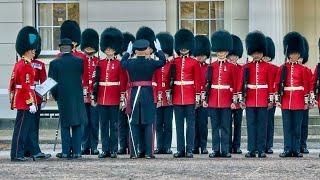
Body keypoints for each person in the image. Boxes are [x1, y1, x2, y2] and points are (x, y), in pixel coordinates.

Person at [121, 37, 165, 159]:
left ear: (135, 51)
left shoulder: (129, 63)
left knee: (134, 123)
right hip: (147, 94)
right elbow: (163, 61)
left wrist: (127, 53)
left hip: (134, 93)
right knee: (148, 124)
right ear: (146, 50)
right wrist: (158, 50)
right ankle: (148, 153)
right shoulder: (151, 62)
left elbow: (122, 63)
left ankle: (134, 152)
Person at [49, 38, 87, 159]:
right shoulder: (79, 61)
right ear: (72, 48)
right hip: (76, 97)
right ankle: (77, 152)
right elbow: (82, 77)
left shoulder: (54, 63)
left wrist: (56, 96)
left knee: (65, 125)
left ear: (60, 48)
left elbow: (52, 83)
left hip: (63, 97)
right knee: (76, 124)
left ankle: (66, 152)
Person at [239, 31, 273, 158]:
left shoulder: (268, 67)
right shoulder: (246, 67)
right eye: (255, 52)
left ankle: (261, 149)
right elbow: (242, 84)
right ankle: (251, 149)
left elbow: (270, 84)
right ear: (251, 52)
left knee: (262, 125)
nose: (257, 54)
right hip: (250, 99)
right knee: (251, 125)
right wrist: (242, 99)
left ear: (262, 52)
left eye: (259, 52)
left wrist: (270, 100)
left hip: (263, 99)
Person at [92, 27, 125, 158]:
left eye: (111, 48)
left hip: (114, 97)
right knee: (103, 125)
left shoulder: (119, 64)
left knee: (114, 125)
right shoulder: (100, 63)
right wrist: (94, 96)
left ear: (115, 49)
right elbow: (96, 82)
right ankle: (105, 149)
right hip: (102, 98)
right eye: (107, 48)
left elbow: (122, 82)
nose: (108, 50)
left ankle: (113, 149)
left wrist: (122, 97)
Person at [9, 26, 41, 161]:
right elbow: (26, 87)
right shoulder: (26, 66)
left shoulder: (19, 64)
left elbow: (13, 84)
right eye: (33, 50)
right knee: (21, 130)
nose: (34, 52)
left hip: (21, 100)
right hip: (25, 102)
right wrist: (31, 103)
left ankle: (17, 153)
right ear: (27, 50)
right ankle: (17, 154)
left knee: (20, 129)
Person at [275, 32, 308, 158]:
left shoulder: (303, 69)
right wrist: (278, 99)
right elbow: (277, 84)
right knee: (287, 126)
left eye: (296, 53)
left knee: (297, 127)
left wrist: (306, 102)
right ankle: (287, 148)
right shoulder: (282, 68)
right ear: (288, 54)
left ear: (299, 54)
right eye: (292, 53)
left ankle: (296, 149)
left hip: (299, 100)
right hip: (286, 100)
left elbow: (306, 86)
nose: (294, 55)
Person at [206, 30, 236, 158]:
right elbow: (207, 83)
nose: (220, 53)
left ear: (227, 52)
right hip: (213, 99)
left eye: (223, 51)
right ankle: (215, 149)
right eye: (219, 51)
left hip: (226, 100)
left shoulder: (231, 67)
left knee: (225, 126)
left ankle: (225, 149)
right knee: (215, 126)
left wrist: (234, 101)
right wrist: (205, 99)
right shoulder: (211, 66)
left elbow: (234, 84)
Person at [172, 29, 201, 158]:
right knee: (179, 126)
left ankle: (189, 149)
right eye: (181, 46)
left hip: (190, 97)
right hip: (178, 96)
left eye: (186, 46)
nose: (183, 49)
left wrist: (198, 97)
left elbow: (198, 81)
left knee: (190, 126)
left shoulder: (194, 62)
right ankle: (180, 149)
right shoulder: (175, 61)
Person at [23, 35, 51, 160]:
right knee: (26, 125)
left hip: (37, 96)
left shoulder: (40, 64)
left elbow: (43, 82)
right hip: (26, 96)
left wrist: (44, 98)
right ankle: (27, 149)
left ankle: (34, 149)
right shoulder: (23, 63)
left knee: (34, 125)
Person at [80, 28, 100, 155]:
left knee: (94, 122)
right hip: (82, 95)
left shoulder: (98, 61)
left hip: (95, 95)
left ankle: (94, 146)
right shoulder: (80, 60)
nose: (88, 48)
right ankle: (85, 145)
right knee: (84, 122)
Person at [154, 32, 174, 154]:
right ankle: (159, 146)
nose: (165, 56)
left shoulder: (172, 65)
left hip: (168, 98)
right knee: (158, 124)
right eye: (163, 53)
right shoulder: (156, 65)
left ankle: (167, 146)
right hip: (158, 97)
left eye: (166, 54)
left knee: (167, 124)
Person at [192, 35, 210, 155]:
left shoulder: (209, 67)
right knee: (193, 124)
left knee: (203, 124)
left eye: (202, 55)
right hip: (192, 98)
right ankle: (194, 145)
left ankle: (203, 145)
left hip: (204, 99)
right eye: (198, 55)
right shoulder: (192, 66)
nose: (200, 57)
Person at [117, 32, 135, 155]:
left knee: (132, 121)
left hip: (132, 93)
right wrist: (122, 95)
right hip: (122, 94)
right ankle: (123, 145)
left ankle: (131, 145)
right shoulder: (120, 62)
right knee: (121, 123)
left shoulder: (133, 62)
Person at [228, 34, 244, 154]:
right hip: (227, 99)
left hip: (238, 100)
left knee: (238, 125)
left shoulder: (241, 69)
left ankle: (236, 146)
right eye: (231, 55)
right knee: (227, 124)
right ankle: (228, 145)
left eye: (235, 55)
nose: (233, 57)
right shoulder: (226, 68)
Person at [264, 36, 278, 154]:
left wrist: (272, 99)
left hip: (271, 98)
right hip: (259, 98)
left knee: (270, 122)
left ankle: (268, 145)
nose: (266, 58)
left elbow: (276, 84)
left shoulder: (275, 69)